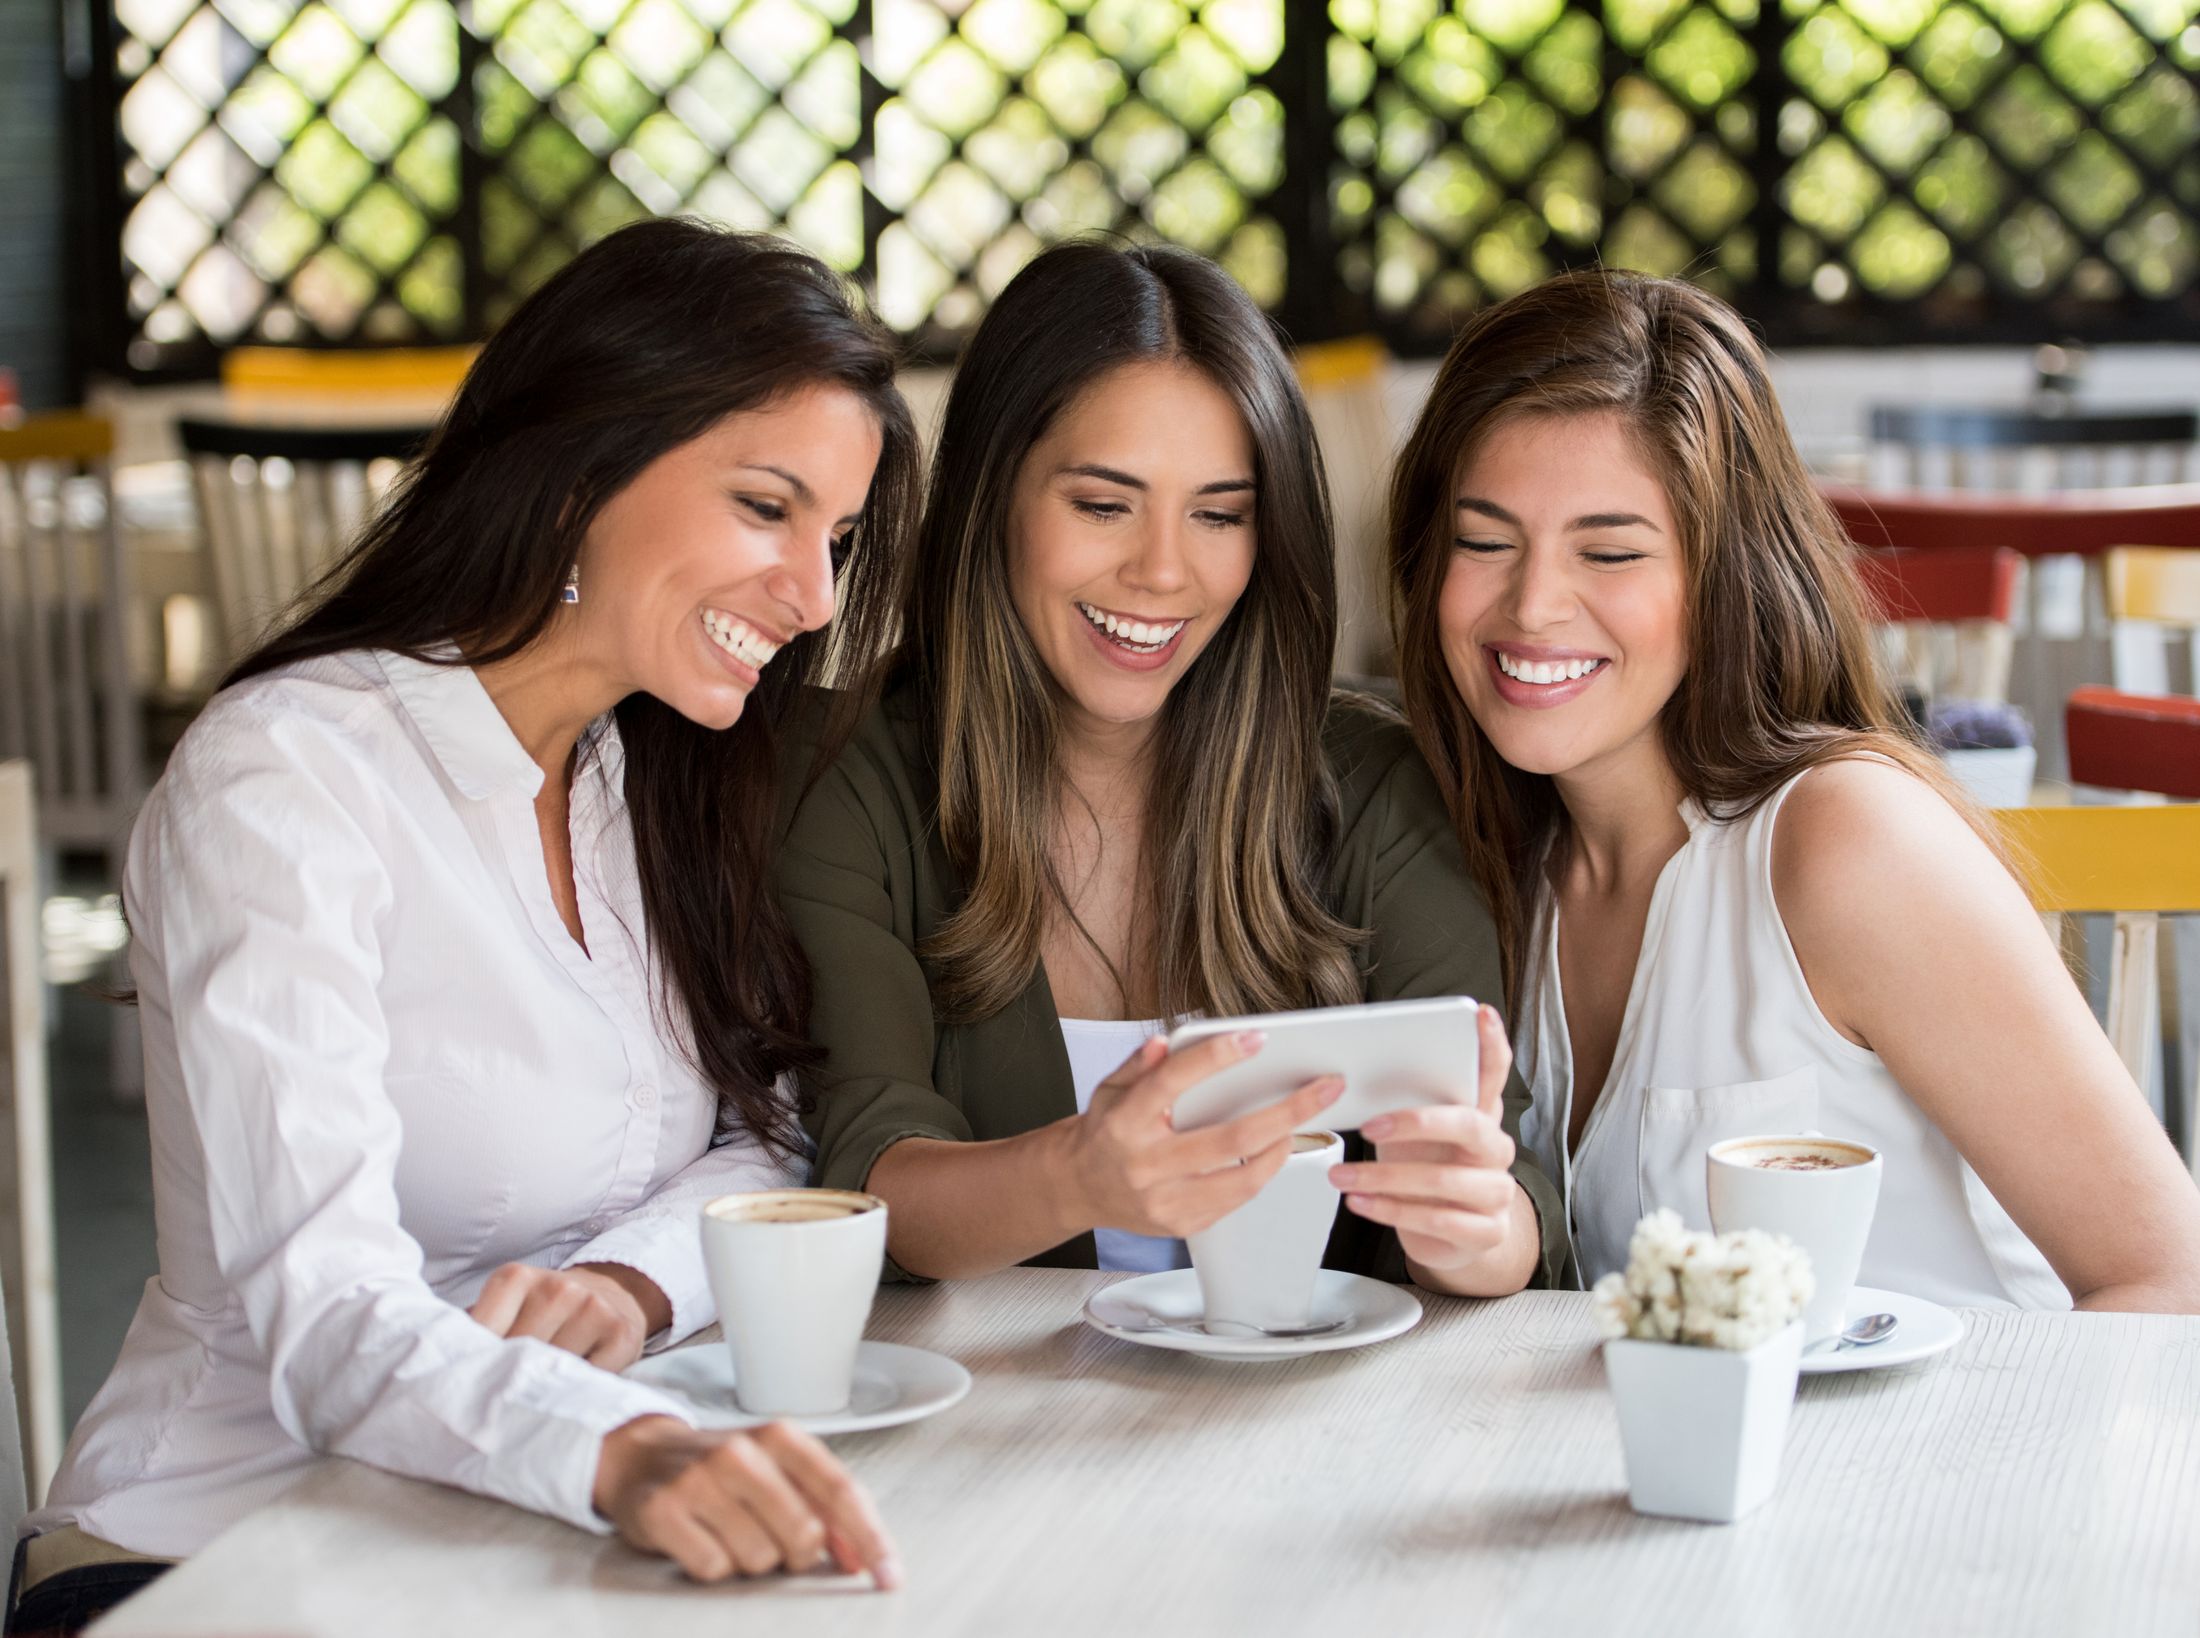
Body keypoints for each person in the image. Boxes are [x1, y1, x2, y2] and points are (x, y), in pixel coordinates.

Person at [14, 219, 918, 1636]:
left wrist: (631, 1285)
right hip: (220, 1548)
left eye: (840, 540)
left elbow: (763, 1134)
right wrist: (612, 1445)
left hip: (515, 1540)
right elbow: (324, 1303)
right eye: (766, 508)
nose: (812, 598)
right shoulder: (288, 776)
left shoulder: (651, 768)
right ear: (577, 471)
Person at [1384, 268, 2200, 1312]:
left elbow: (2167, 1277)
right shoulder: (1500, 868)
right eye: (1485, 540)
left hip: (1969, 1465)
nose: (1533, 603)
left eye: (1610, 550)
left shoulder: (1847, 842)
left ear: (1722, 574)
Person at [779, 240, 1563, 1294]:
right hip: (989, 1431)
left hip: (1315, 1431)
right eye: (1102, 505)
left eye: (1219, 515)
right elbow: (868, 1187)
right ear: (991, 499)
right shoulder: (854, 777)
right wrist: (1080, 1176)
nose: (1160, 571)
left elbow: (1506, 1209)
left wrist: (1474, 1231)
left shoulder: (1374, 784)